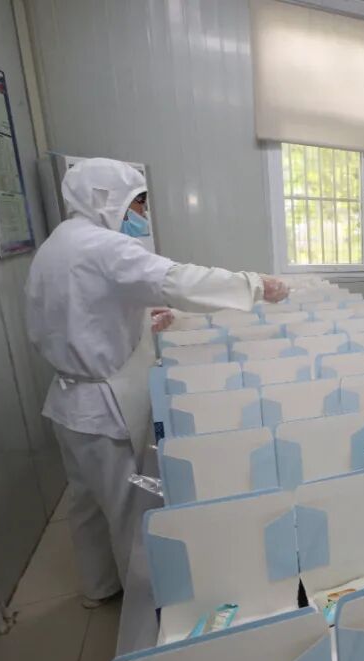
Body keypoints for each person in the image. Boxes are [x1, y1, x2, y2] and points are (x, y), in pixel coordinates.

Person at [26, 157, 288, 607]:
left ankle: (98, 587)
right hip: (101, 406)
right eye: (138, 204)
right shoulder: (103, 246)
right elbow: (177, 280)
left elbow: (82, 316)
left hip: (68, 403)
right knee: (129, 509)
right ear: (107, 199)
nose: (142, 215)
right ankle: (144, 607)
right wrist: (255, 285)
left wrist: (144, 323)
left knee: (86, 502)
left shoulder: (56, 246)